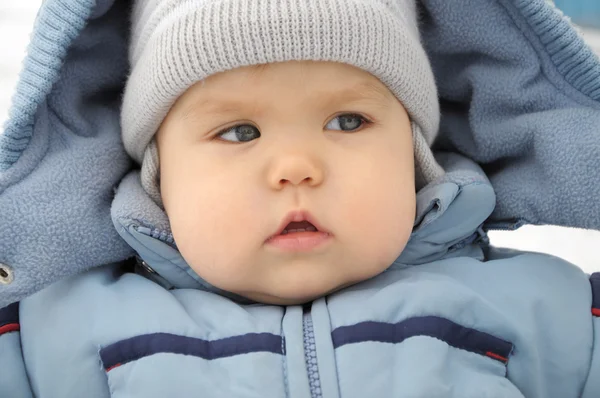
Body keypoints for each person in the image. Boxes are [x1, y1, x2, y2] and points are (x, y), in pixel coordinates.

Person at [1, 0, 600, 397]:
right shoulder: (46, 340)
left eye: (346, 122)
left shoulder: (553, 316)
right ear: (159, 175)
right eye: (239, 132)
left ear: (416, 154)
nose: (297, 168)